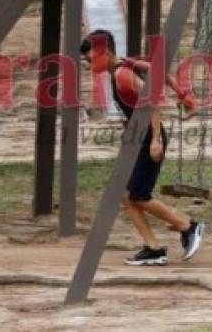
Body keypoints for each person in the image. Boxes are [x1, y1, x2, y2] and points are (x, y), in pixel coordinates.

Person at [80, 28, 205, 266]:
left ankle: (188, 227)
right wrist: (184, 96)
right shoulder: (127, 65)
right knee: (126, 197)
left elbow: (152, 101)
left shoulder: (122, 75)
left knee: (138, 195)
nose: (87, 63)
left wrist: (156, 139)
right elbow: (159, 73)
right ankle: (153, 249)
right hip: (139, 140)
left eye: (89, 58)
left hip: (149, 139)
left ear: (103, 52)